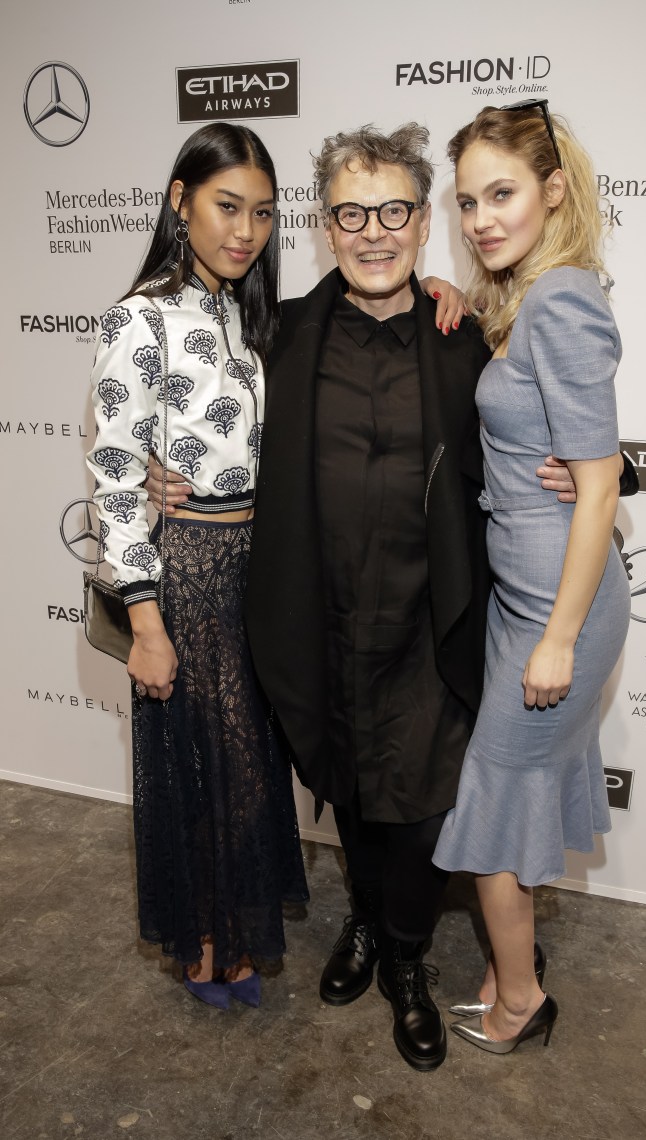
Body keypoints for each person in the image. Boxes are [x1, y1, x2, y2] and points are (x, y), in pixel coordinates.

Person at [147, 122, 635, 1070]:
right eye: (351, 213)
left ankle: (408, 958)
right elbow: (195, 421)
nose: (374, 232)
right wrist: (169, 478)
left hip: (436, 626)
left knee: (418, 808)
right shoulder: (275, 339)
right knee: (351, 794)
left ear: (423, 226)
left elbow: (550, 433)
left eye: (396, 211)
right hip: (318, 620)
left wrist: (589, 478)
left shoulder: (470, 343)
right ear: (326, 227)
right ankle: (366, 924)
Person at [86, 123, 308, 1011]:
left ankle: (239, 923)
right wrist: (145, 621)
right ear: (180, 201)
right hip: (186, 572)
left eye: (260, 211)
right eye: (226, 207)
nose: (244, 230)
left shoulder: (250, 312)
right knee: (200, 764)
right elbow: (110, 475)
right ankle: (205, 938)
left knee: (248, 762)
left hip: (256, 566)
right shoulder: (139, 317)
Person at [433, 101, 631, 1056]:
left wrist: (557, 638)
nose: (480, 219)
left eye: (501, 193)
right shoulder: (525, 296)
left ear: (554, 191)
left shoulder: (561, 298)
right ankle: (518, 969)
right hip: (524, 600)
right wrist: (443, 290)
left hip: (563, 608)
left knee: (496, 801)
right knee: (521, 794)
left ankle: (520, 1002)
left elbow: (597, 495)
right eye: (468, 201)